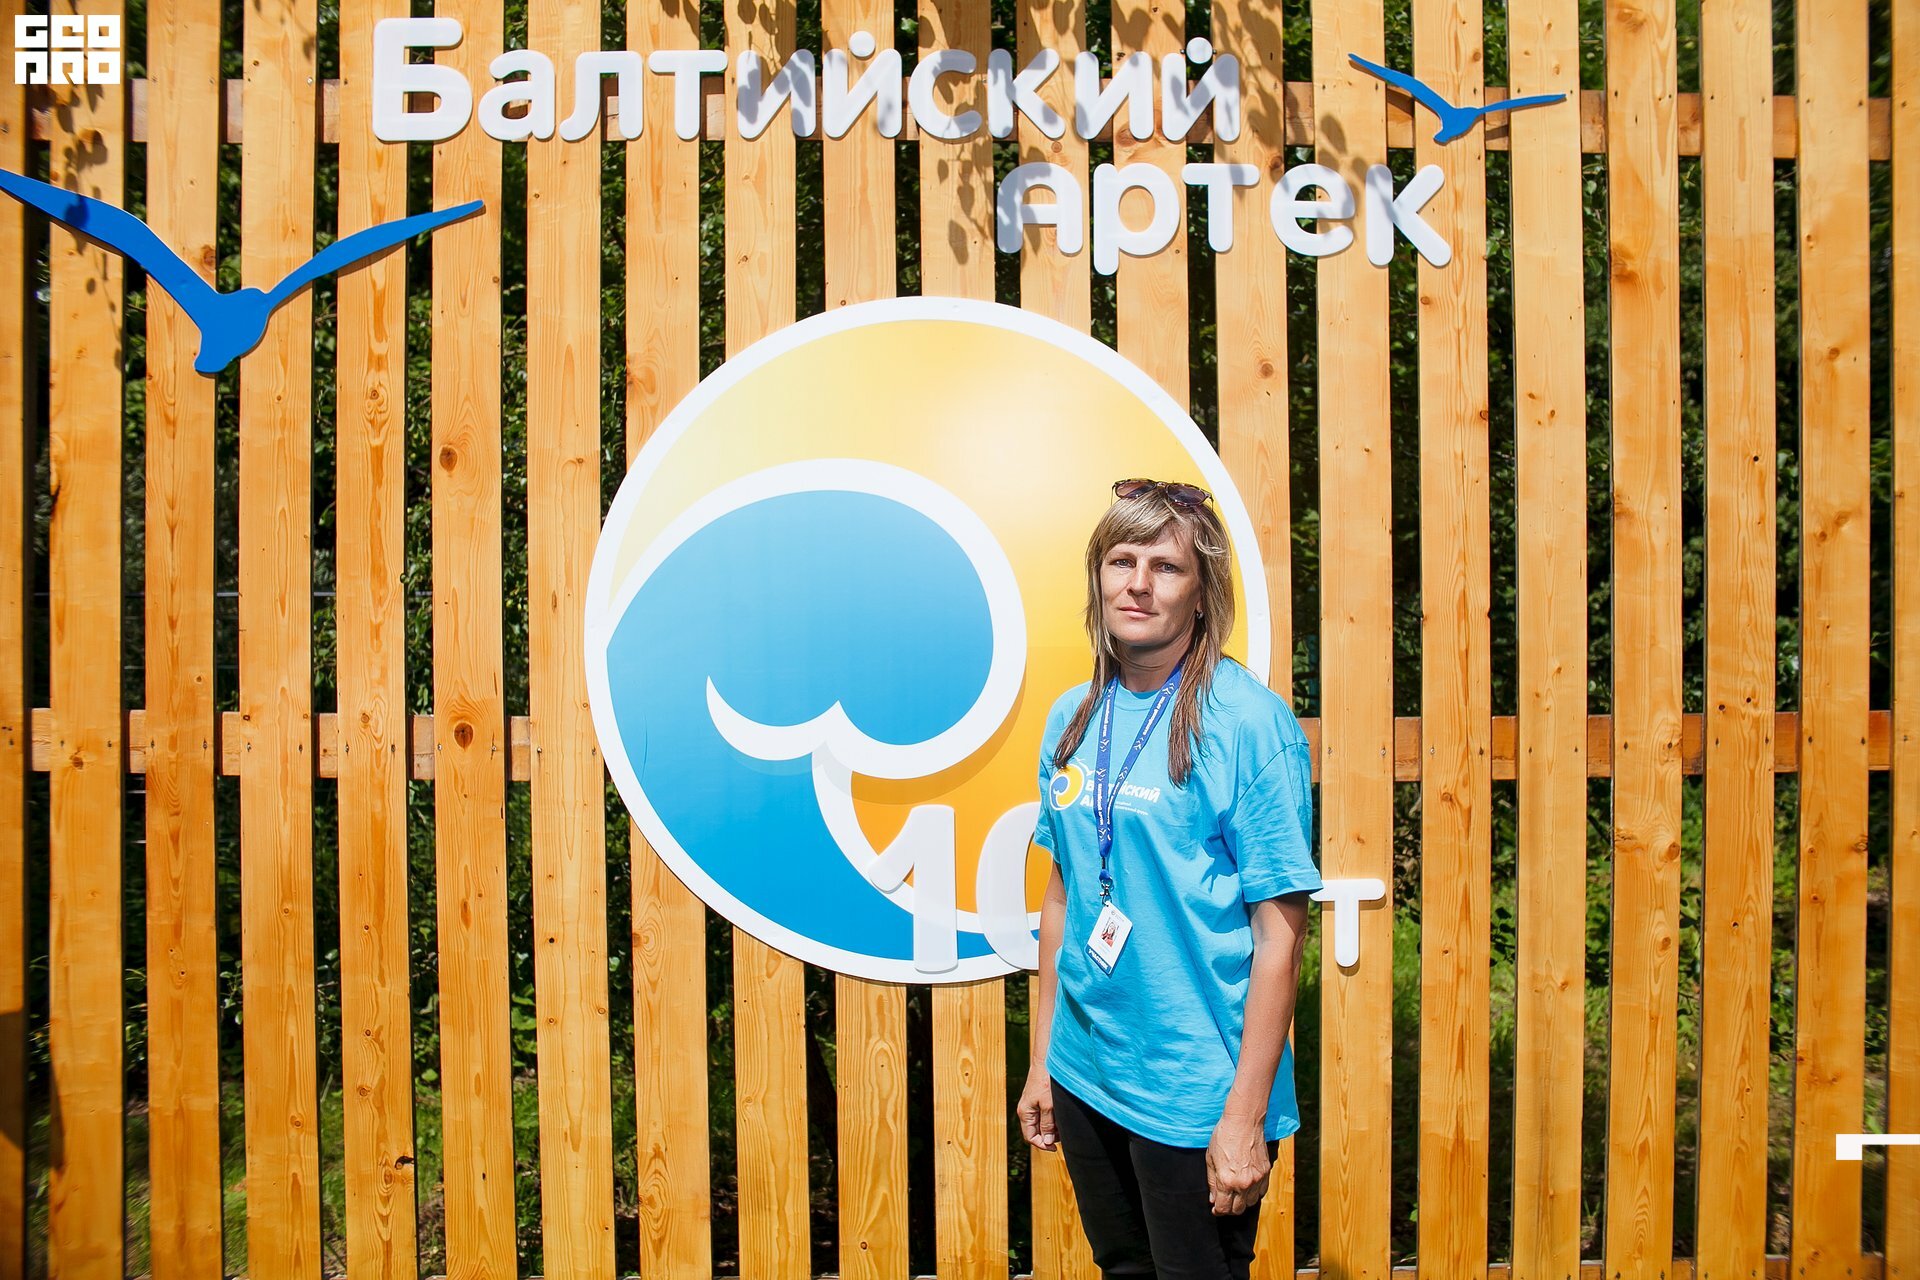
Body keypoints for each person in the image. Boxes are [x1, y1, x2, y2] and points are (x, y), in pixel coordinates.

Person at [1017, 478, 1321, 1280]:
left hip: (1195, 1094)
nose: (1139, 584)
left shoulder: (1249, 726)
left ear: (1201, 591)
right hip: (1088, 1071)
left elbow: (1280, 939)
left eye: (1166, 566)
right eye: (1122, 561)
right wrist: (1044, 1058)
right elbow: (1063, 897)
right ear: (1098, 576)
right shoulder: (1072, 717)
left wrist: (1244, 1117)